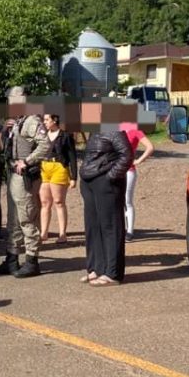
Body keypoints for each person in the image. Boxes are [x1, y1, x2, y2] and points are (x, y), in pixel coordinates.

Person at [0, 89, 50, 278]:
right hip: (13, 175)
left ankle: (32, 261)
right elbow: (5, 148)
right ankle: (12, 259)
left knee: (26, 218)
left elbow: (46, 144)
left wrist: (28, 161)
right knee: (13, 220)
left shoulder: (31, 121)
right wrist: (5, 132)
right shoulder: (17, 122)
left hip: (24, 177)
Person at [79, 127, 133, 286]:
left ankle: (112, 273)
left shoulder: (114, 131)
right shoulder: (93, 131)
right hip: (89, 181)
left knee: (110, 225)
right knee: (92, 226)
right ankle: (95, 268)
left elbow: (127, 155)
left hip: (106, 182)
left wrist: (110, 176)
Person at [39, 113, 77, 244]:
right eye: (44, 120)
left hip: (59, 167)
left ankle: (62, 233)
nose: (44, 122)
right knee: (44, 203)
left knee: (59, 202)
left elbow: (72, 157)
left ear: (54, 120)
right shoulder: (42, 135)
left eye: (47, 120)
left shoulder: (65, 136)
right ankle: (44, 233)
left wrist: (73, 177)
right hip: (44, 167)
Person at [119, 123, 155, 241]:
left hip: (128, 170)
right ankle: (119, 229)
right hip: (114, 170)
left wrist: (138, 160)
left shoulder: (134, 130)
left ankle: (129, 231)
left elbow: (150, 147)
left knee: (127, 201)